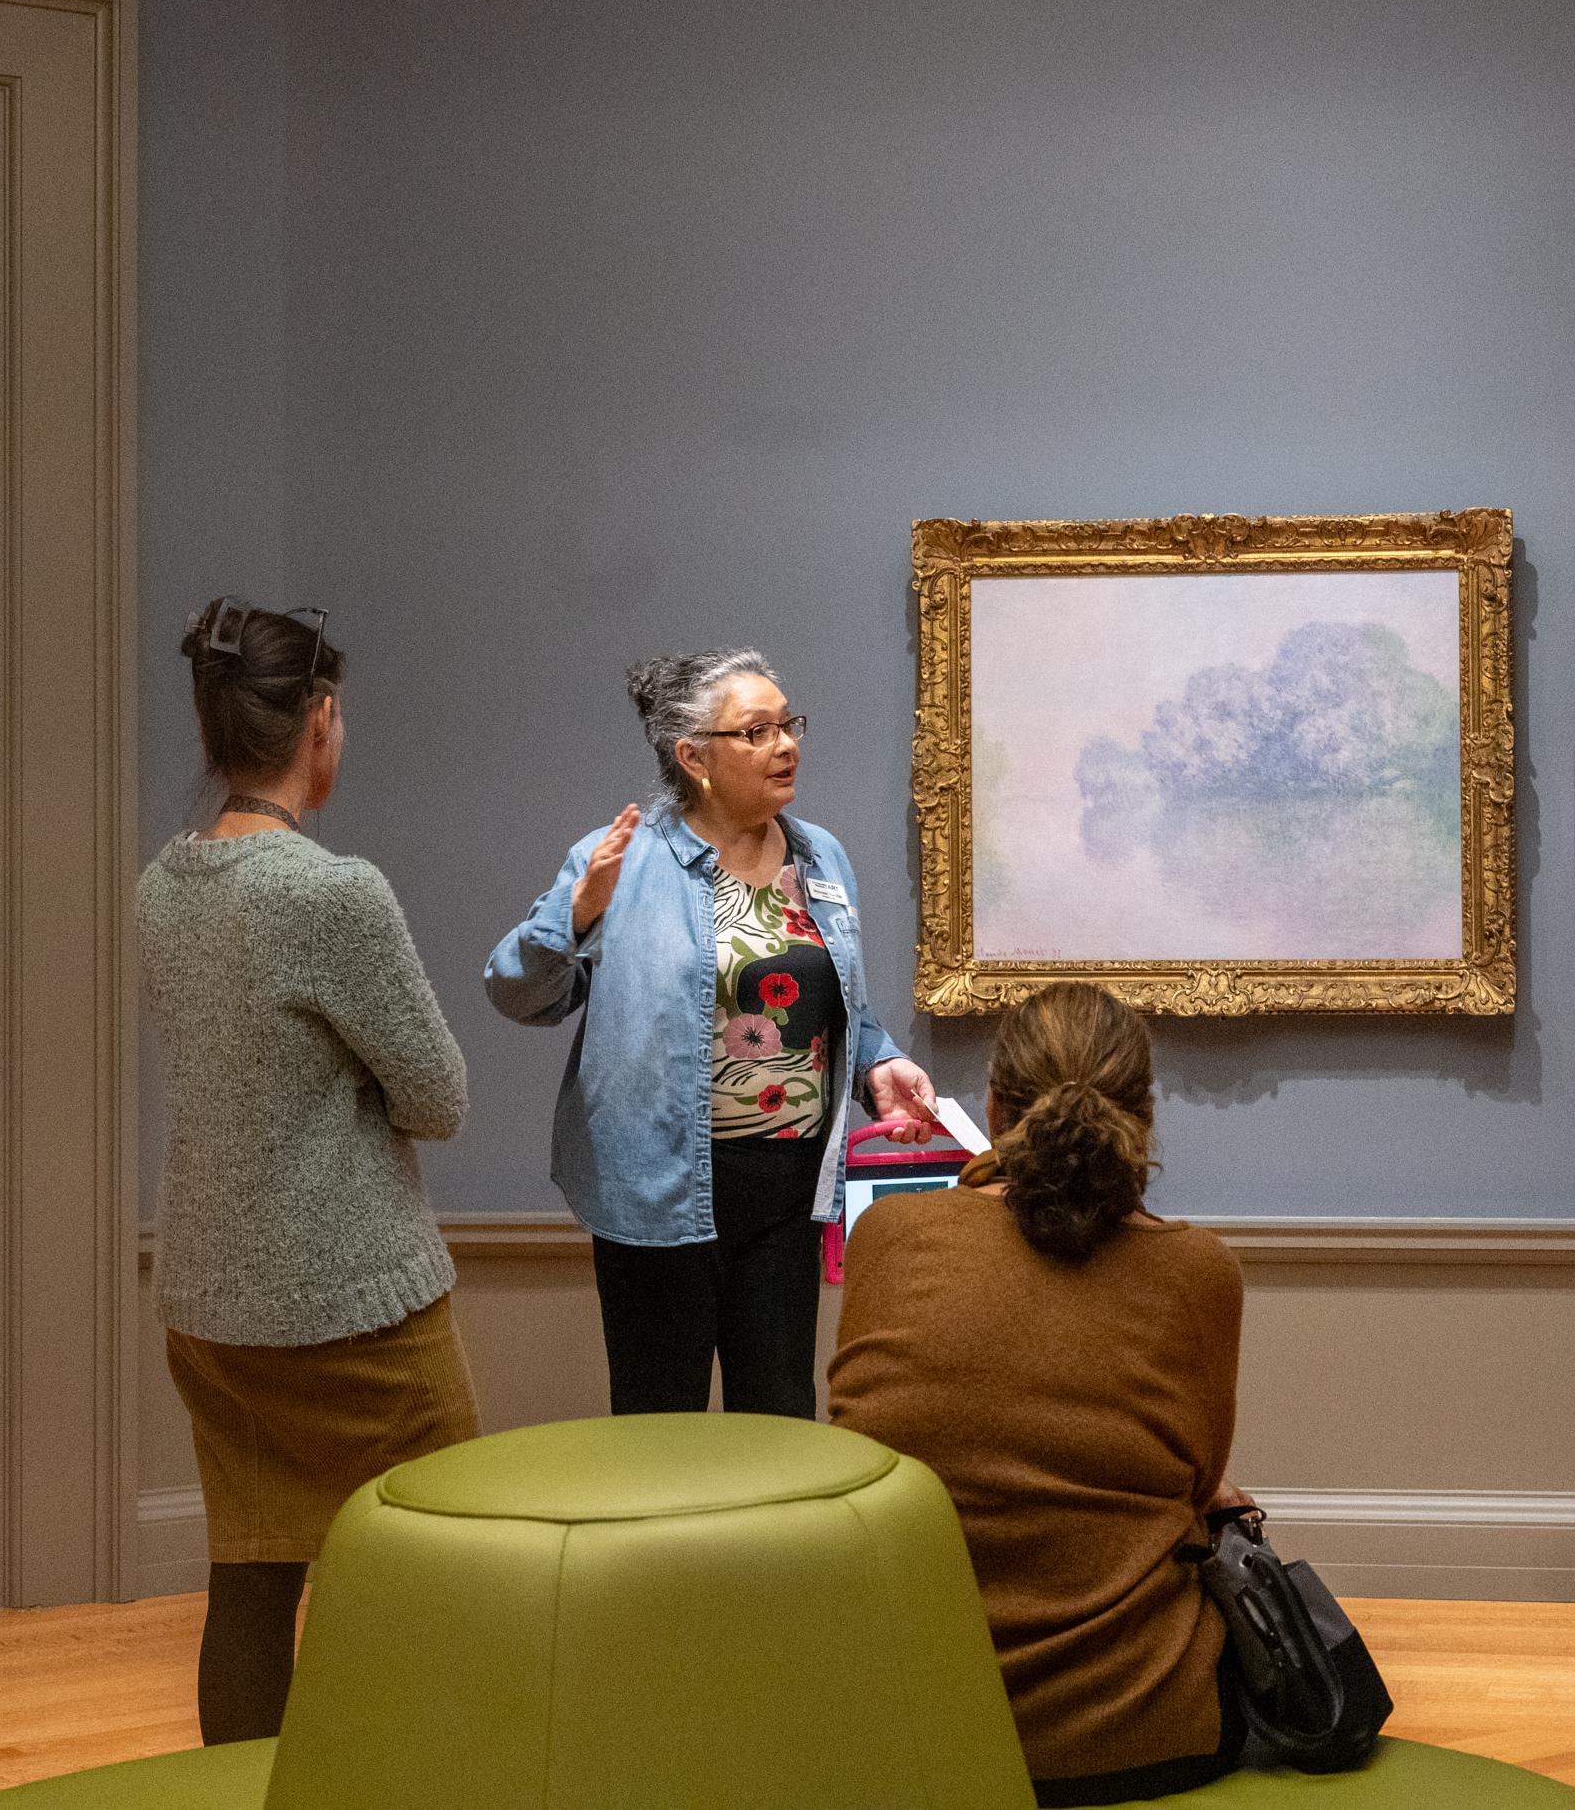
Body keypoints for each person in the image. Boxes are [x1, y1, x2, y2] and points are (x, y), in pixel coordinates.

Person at [136, 599, 477, 1745]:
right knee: (440, 1578)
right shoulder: (336, 893)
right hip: (353, 1312)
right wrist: (362, 1088)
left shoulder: (162, 887)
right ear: (319, 720)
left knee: (252, 1580)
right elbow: (438, 1098)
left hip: (211, 1305)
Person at [827, 982, 1249, 1807]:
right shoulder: (1200, 1270)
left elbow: (872, 1455)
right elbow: (1197, 1492)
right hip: (1145, 1732)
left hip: (911, 1728)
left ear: (991, 1103)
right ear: (1145, 1114)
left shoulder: (888, 1237)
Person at [484, 649, 935, 1419]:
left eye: (788, 724)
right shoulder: (623, 859)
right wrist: (580, 913)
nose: (787, 744)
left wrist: (879, 1064)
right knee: (662, 1422)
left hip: (792, 1192)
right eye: (757, 731)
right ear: (693, 757)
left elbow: (840, 1009)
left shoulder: (820, 855)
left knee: (780, 1416)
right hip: (659, 1191)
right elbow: (518, 993)